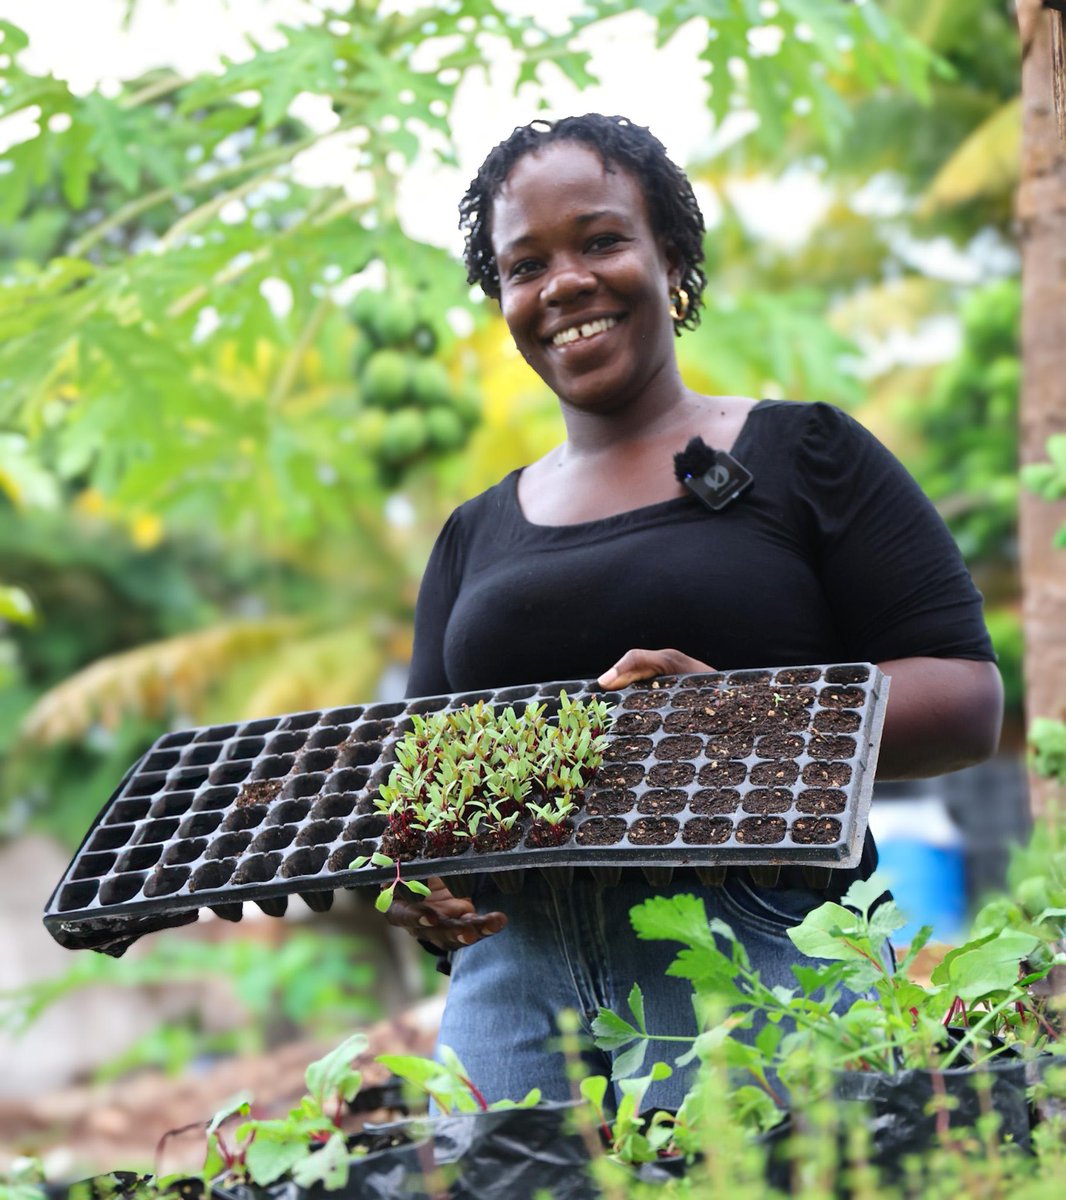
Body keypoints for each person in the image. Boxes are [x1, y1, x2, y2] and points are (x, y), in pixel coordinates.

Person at [384, 114, 1003, 1110]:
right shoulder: (472, 535)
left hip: (757, 941)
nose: (565, 283)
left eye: (599, 240)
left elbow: (967, 701)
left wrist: (741, 723)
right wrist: (419, 879)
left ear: (668, 253)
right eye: (524, 264)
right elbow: (423, 778)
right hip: (514, 984)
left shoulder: (803, 454)